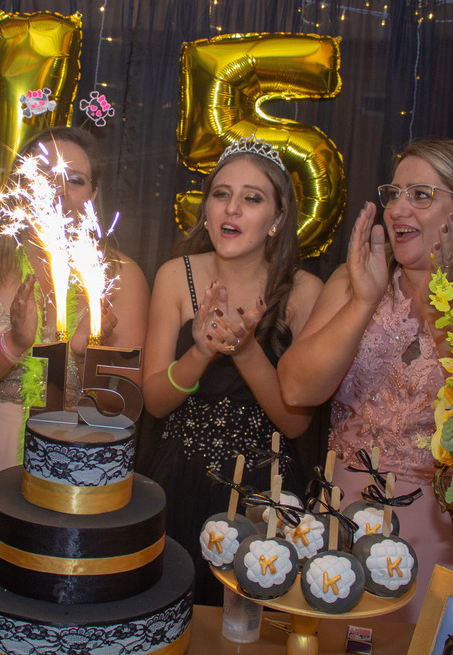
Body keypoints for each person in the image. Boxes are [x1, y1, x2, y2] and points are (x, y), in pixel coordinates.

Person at [277, 138, 453, 622]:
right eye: (394, 193)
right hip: (341, 514)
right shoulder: (353, 280)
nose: (398, 209)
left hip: (442, 527)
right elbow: (297, 390)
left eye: (421, 195)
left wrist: (440, 304)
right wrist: (364, 301)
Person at [0, 125, 150, 577]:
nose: (59, 192)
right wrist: (12, 345)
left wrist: (86, 356)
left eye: (74, 180)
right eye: (43, 176)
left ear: (93, 195)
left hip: (72, 467)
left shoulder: (121, 277)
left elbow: (123, 409)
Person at [137, 136, 322, 606]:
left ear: (278, 219)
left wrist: (245, 351)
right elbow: (154, 401)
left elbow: (296, 423)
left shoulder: (303, 292)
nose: (232, 209)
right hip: (177, 476)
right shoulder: (175, 276)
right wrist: (200, 352)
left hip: (265, 492)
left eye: (252, 198)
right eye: (221, 194)